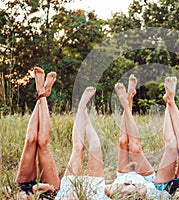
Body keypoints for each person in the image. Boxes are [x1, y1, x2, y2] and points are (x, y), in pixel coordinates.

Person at [104, 75, 158, 199]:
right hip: (145, 178)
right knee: (134, 147)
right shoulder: (145, 193)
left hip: (122, 177)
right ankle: (127, 101)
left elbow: (106, 188)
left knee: (123, 141)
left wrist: (117, 191)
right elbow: (143, 190)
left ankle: (128, 99)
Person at [55, 86, 109, 199]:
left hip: (68, 190)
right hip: (95, 193)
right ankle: (85, 115)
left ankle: (81, 108)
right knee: (95, 148)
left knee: (78, 148)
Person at [15, 67, 60, 199]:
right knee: (43, 143)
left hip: (24, 187)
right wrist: (42, 188)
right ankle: (42, 94)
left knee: (30, 139)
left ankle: (42, 93)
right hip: (51, 193)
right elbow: (49, 189)